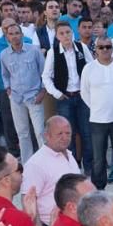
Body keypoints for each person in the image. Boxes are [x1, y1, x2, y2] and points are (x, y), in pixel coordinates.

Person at [79, 35, 113, 201]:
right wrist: (97, 108)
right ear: (95, 49)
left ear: (112, 48)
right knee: (98, 158)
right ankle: (98, 191)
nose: (105, 50)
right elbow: (85, 92)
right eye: (101, 47)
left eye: (108, 47)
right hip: (97, 119)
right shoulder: (88, 69)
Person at [42, 21, 94, 173]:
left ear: (73, 33)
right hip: (65, 98)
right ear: (57, 36)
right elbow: (46, 76)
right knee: (67, 135)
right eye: (62, 33)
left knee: (87, 133)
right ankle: (71, 168)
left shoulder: (81, 48)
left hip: (83, 96)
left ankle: (89, 168)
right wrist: (57, 93)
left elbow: (92, 68)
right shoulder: (53, 52)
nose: (65, 36)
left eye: (68, 32)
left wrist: (89, 90)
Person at [0, 23, 47, 162]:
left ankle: (45, 161)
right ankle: (27, 163)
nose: (14, 36)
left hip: (34, 96)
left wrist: (42, 92)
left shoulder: (34, 50)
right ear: (7, 37)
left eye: (16, 33)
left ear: (22, 35)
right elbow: (5, 74)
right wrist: (8, 89)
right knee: (22, 133)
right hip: (16, 98)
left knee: (39, 132)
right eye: (11, 34)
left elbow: (44, 71)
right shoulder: (4, 54)